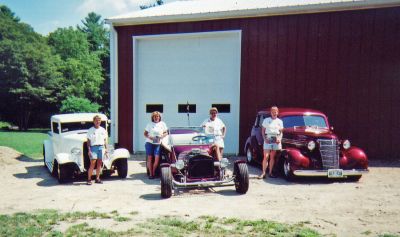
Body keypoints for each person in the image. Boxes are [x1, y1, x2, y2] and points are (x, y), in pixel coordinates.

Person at [260, 106, 283, 179]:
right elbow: (263, 131)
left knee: (272, 157)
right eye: (273, 112)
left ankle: (270, 173)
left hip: (276, 139)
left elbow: (281, 132)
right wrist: (264, 139)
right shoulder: (266, 120)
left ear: (277, 112)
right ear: (271, 112)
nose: (274, 113)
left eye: (275, 112)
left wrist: (279, 139)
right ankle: (263, 173)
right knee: (266, 156)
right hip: (268, 138)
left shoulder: (280, 121)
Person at [144, 111, 168, 179]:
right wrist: (150, 137)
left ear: (159, 117)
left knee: (157, 159)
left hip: (158, 143)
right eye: (155, 116)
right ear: (152, 117)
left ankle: (154, 172)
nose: (156, 118)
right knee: (150, 158)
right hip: (149, 143)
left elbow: (166, 132)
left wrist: (161, 136)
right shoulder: (149, 124)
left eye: (157, 116)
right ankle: (151, 174)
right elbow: (145, 133)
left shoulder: (162, 124)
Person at [87, 115, 108, 185]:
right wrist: (89, 150)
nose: (97, 122)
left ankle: (97, 178)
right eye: (96, 120)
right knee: (92, 163)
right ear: (93, 121)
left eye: (99, 120)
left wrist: (106, 149)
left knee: (99, 163)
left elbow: (105, 140)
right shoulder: (90, 130)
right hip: (93, 148)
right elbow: (88, 141)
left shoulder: (103, 130)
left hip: (101, 147)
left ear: (100, 121)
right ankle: (89, 179)